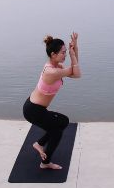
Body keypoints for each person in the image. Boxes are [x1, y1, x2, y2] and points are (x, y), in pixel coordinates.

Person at [23, 32, 80, 170]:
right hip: (33, 110)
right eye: (63, 53)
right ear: (53, 55)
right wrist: (73, 55)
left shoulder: (57, 67)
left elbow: (74, 72)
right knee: (57, 130)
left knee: (63, 122)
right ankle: (45, 162)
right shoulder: (52, 72)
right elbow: (77, 73)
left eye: (66, 52)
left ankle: (40, 144)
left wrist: (75, 49)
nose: (65, 55)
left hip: (37, 108)